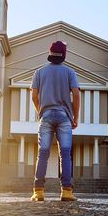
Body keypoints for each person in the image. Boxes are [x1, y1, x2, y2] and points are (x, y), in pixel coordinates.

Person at [30, 41, 80, 201]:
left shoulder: (39, 72)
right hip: (64, 116)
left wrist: (41, 111)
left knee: (43, 153)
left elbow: (33, 95)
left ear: (49, 53)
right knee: (65, 154)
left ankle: (38, 192)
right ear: (64, 54)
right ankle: (66, 191)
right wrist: (75, 117)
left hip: (46, 115)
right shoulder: (70, 72)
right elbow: (76, 94)